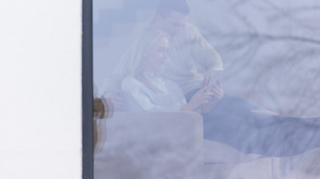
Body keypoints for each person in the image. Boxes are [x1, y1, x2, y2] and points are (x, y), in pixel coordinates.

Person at [121, 28, 320, 157]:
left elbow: (193, 114)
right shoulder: (132, 85)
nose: (166, 57)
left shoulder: (170, 85)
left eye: (167, 51)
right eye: (160, 51)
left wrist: (210, 100)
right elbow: (150, 122)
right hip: (182, 135)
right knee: (250, 130)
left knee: (256, 119)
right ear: (144, 51)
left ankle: (314, 125)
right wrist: (191, 106)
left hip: (199, 124)